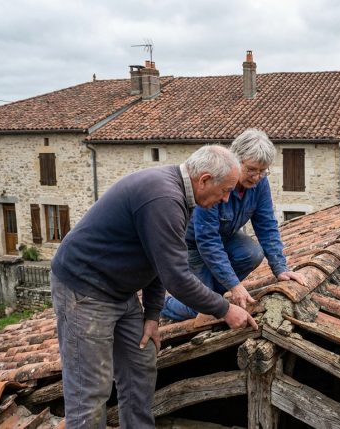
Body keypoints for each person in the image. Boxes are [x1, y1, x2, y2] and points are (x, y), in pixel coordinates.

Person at [50, 145, 258, 428]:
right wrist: (225, 309)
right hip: (85, 289)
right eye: (224, 190)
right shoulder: (163, 198)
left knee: (140, 366)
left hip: (120, 291)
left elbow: (160, 261)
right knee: (90, 389)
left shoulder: (182, 198)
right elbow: (177, 277)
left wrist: (151, 315)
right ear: (205, 179)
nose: (225, 199)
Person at [162, 128, 306, 321]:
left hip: (226, 238)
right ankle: (162, 307)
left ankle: (211, 294)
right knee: (198, 309)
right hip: (193, 245)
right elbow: (207, 240)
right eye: (251, 169)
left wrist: (281, 269)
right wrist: (235, 286)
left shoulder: (259, 184)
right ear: (236, 161)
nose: (256, 177)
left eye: (262, 171)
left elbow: (267, 225)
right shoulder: (217, 179)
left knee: (252, 253)